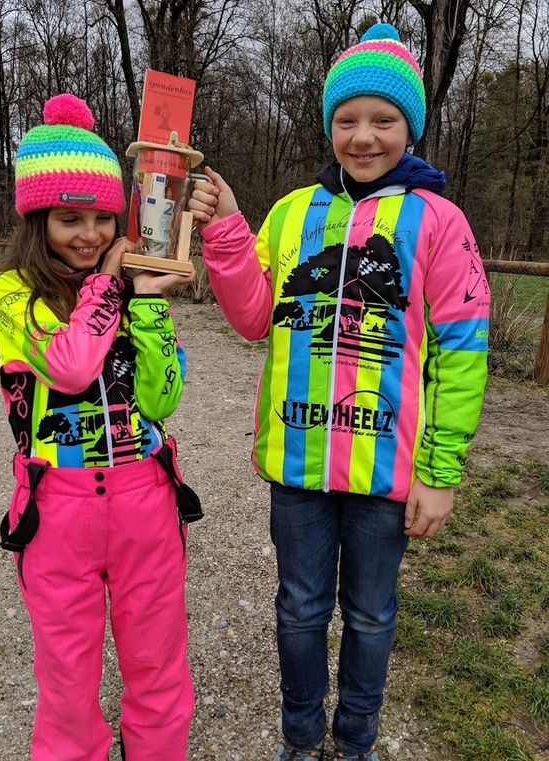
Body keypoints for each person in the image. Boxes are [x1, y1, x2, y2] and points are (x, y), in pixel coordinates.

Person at [189, 22, 490, 761]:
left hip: (387, 476)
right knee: (298, 610)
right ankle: (300, 739)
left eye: (383, 120)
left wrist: (440, 472)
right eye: (347, 119)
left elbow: (462, 353)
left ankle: (354, 742)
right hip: (296, 466)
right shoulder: (293, 213)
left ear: (410, 127)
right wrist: (228, 231)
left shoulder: (439, 222)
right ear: (329, 125)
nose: (363, 136)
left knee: (371, 615)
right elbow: (256, 317)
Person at [0, 93, 199, 761]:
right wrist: (108, 289)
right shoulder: (11, 292)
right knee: (69, 683)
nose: (91, 234)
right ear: (36, 218)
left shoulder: (131, 287)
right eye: (70, 218)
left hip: (146, 501)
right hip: (59, 511)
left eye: (104, 217)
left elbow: (162, 400)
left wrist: (151, 308)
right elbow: (72, 369)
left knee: (158, 667)